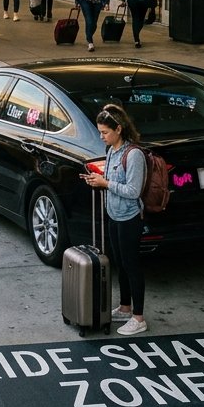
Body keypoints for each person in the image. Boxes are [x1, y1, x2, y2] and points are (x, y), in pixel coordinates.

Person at [82, 103, 148, 336]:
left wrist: (105, 183)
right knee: (119, 263)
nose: (101, 137)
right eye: (100, 132)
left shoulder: (134, 154)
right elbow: (111, 181)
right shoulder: (111, 152)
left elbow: (133, 190)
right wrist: (97, 179)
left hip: (130, 217)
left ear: (118, 129)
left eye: (105, 132)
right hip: (113, 214)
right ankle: (124, 307)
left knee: (132, 265)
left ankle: (138, 317)